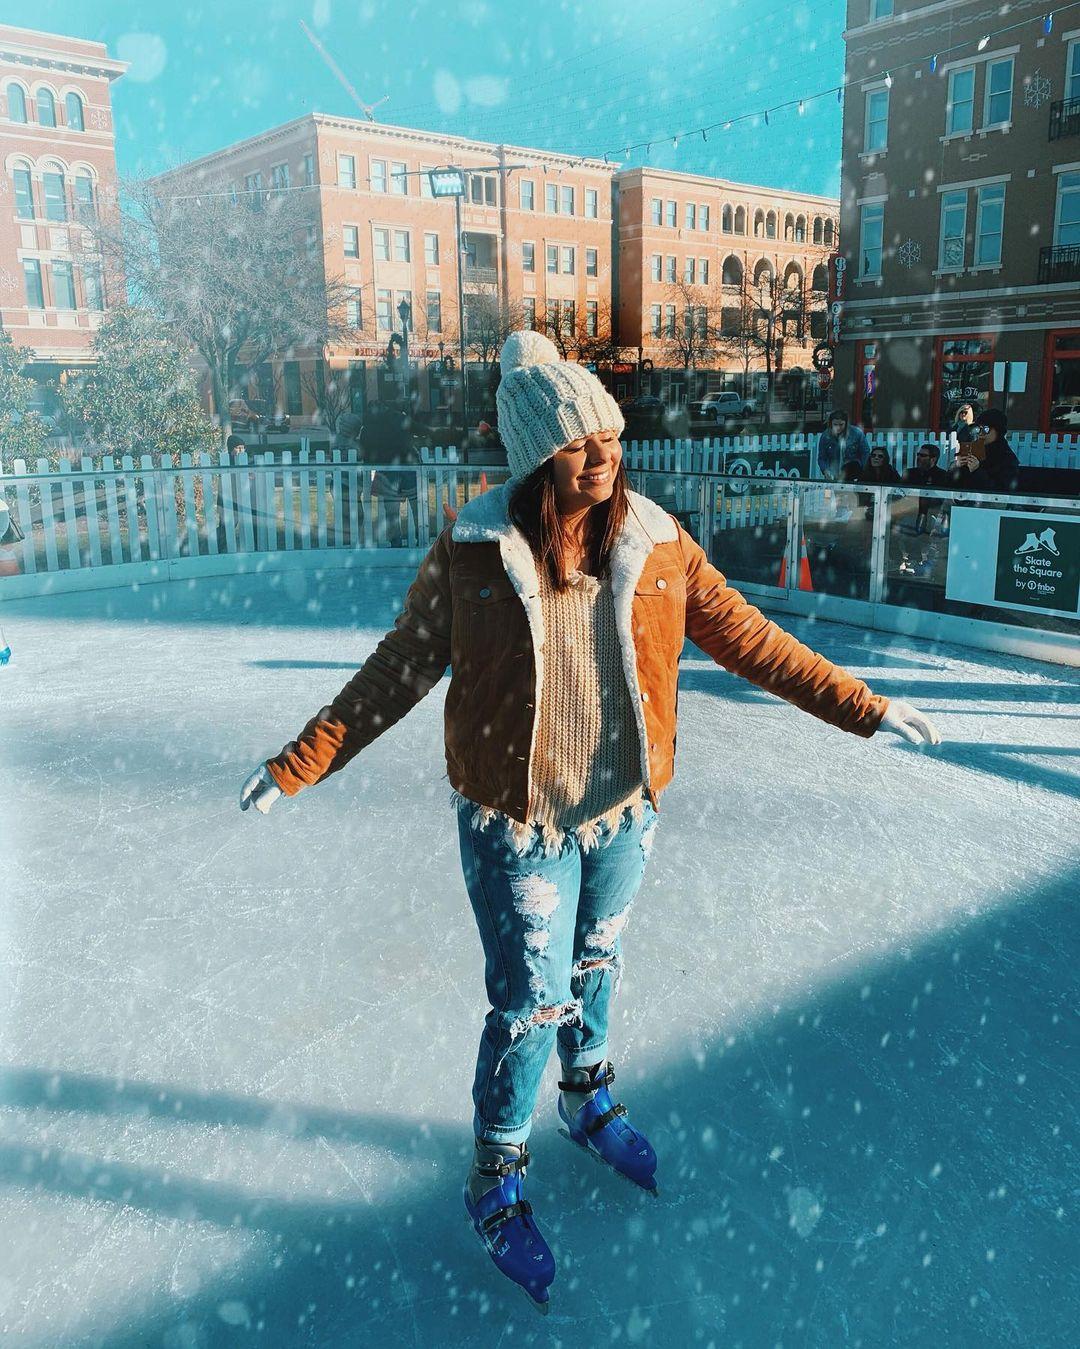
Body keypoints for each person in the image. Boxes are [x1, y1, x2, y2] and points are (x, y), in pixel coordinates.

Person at [239, 330, 941, 1313]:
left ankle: (588, 1096)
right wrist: (299, 761)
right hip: (516, 822)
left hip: (621, 814)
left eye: (610, 434)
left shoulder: (655, 539)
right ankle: (497, 1171)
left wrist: (861, 705)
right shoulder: (475, 547)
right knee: (529, 1002)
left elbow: (751, 638)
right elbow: (399, 667)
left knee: (596, 964)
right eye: (579, 442)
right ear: (536, 456)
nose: (604, 454)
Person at [950, 407, 1022, 494]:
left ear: (998, 431)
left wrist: (977, 470)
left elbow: (1002, 491)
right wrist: (956, 467)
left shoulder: (1007, 458)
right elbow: (950, 485)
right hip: (964, 503)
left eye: (986, 429)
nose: (981, 433)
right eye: (979, 429)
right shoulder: (974, 450)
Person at [902, 443, 950, 534]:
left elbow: (944, 499)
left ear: (933, 459)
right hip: (910, 514)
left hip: (933, 516)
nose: (919, 457)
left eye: (923, 455)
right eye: (918, 455)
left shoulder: (942, 475)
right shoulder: (909, 473)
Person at [817, 411, 871, 481]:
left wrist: (863, 472)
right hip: (832, 475)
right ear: (831, 424)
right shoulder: (825, 436)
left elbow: (865, 453)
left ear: (846, 423)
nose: (838, 427)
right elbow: (822, 458)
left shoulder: (857, 434)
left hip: (853, 474)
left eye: (841, 424)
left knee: (849, 492)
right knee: (828, 492)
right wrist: (825, 470)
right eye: (835, 424)